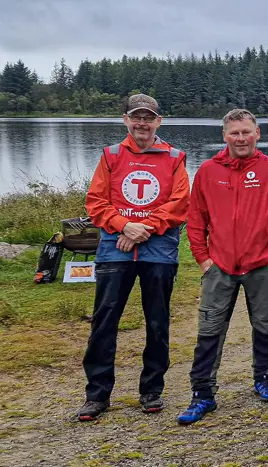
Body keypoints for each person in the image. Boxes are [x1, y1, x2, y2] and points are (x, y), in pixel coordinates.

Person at [176, 109, 268, 425]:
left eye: (246, 132)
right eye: (234, 133)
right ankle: (203, 394)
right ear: (224, 135)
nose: (240, 138)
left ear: (258, 133)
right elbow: (196, 218)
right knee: (209, 331)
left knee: (264, 326)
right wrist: (203, 260)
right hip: (220, 267)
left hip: (260, 266)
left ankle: (264, 379)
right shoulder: (207, 171)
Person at [77, 94, 190, 421]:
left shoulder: (174, 157)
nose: (142, 123)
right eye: (136, 117)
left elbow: (180, 203)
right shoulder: (111, 156)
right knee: (104, 322)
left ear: (159, 121)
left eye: (148, 117)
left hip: (158, 250)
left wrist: (144, 229)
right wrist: (125, 226)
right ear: (126, 119)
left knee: (157, 322)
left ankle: (151, 390)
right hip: (116, 248)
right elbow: (96, 202)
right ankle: (97, 395)